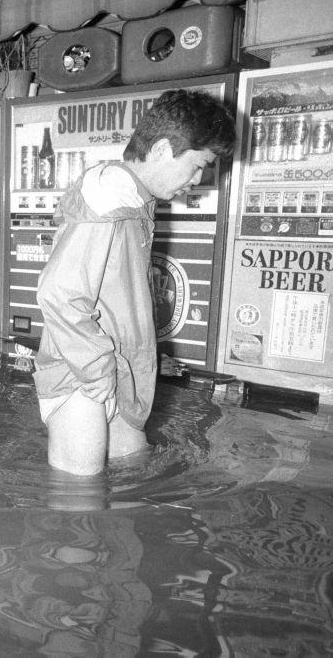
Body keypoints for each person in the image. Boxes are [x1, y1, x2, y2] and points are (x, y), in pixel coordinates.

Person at [34, 89, 235, 476]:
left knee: (134, 474)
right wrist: (96, 372)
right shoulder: (108, 199)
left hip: (120, 368)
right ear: (161, 149)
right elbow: (58, 294)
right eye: (197, 166)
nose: (196, 180)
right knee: (81, 506)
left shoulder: (135, 199)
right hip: (85, 374)